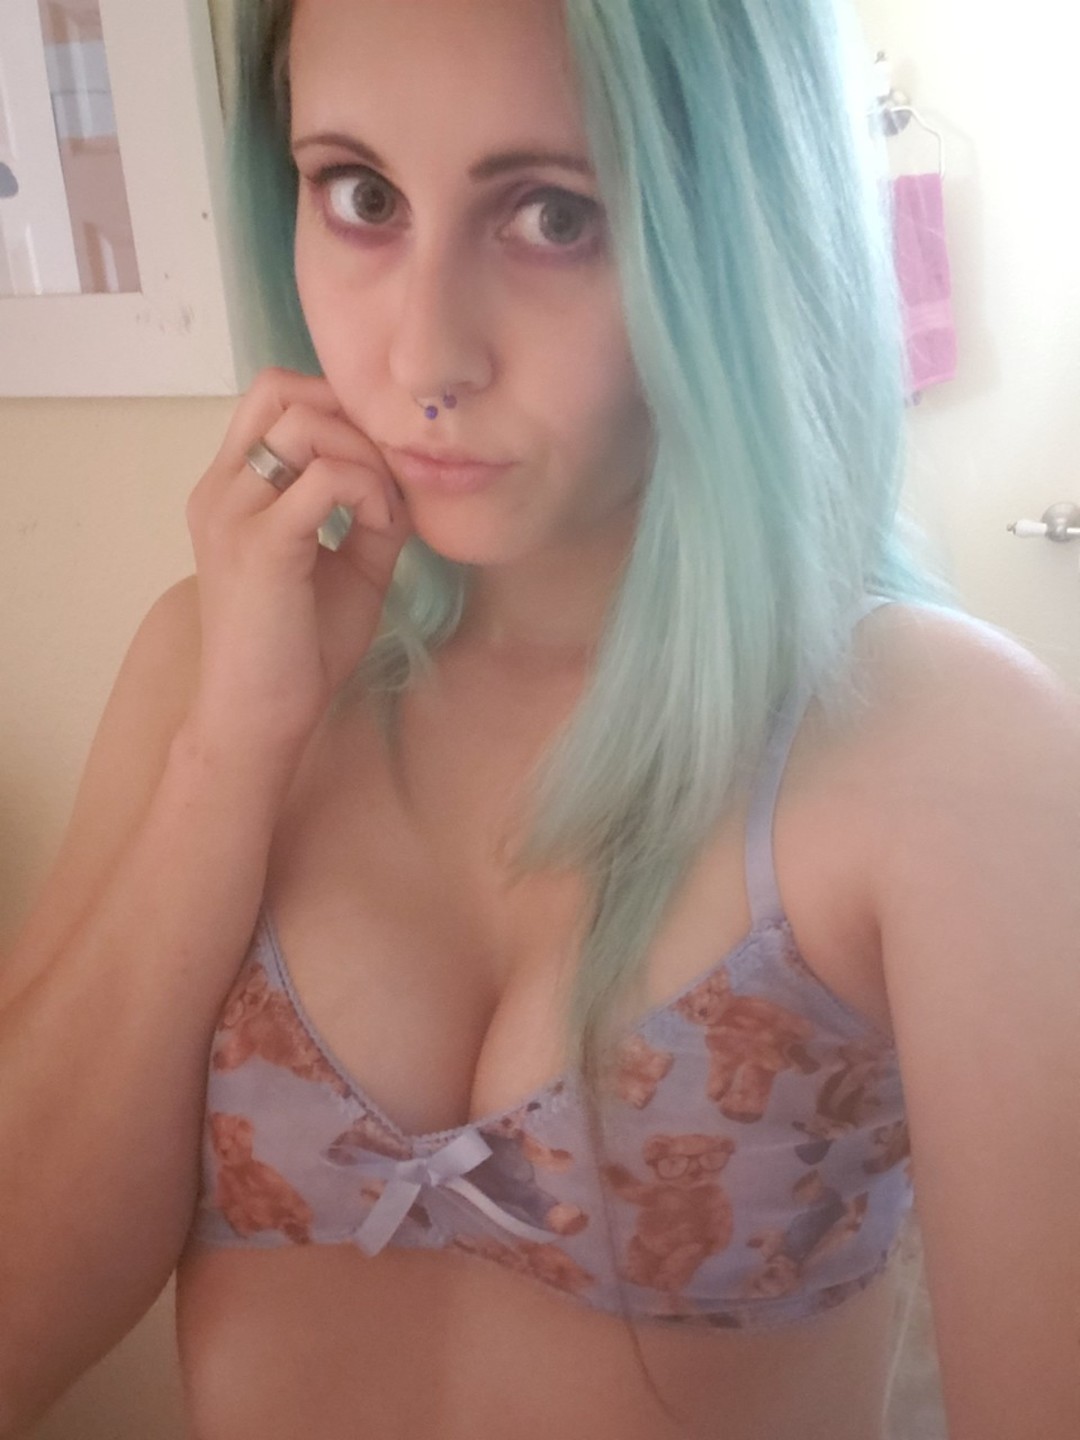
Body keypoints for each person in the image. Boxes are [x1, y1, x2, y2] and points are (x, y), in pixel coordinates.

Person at [1, 1, 1076, 1437]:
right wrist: (232, 749)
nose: (424, 357)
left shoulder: (943, 748)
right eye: (362, 195)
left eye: (553, 215)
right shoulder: (214, 657)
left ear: (735, 231)